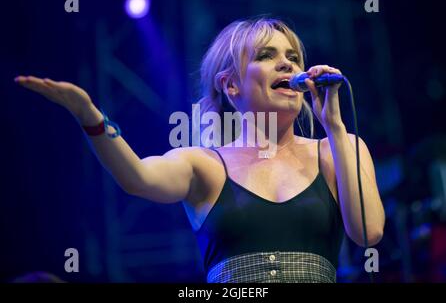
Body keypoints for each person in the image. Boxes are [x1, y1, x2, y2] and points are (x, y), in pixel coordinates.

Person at [15, 17, 385, 283]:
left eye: (293, 56)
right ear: (231, 85)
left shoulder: (338, 148)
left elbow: (368, 233)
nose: (287, 63)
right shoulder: (205, 164)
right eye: (267, 55)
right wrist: (89, 115)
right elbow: (137, 178)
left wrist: (334, 127)